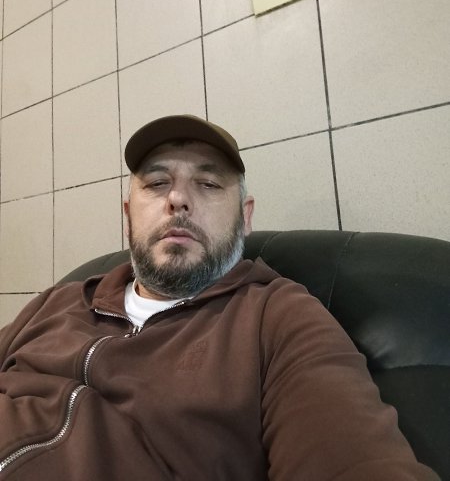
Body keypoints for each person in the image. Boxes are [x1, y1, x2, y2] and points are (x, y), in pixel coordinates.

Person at [0, 114, 440, 480]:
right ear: (128, 216)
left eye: (209, 184)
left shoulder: (278, 318)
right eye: (156, 183)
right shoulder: (57, 302)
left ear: (245, 217)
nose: (178, 199)